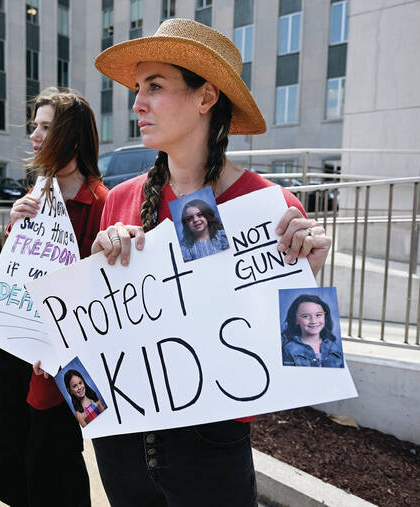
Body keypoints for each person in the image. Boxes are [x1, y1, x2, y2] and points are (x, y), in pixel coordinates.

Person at [90, 19, 333, 506]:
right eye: (138, 89)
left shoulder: (269, 207)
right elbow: (98, 328)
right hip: (122, 437)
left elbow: (296, 354)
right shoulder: (119, 200)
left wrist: (308, 273)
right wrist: (98, 272)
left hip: (211, 442)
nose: (137, 104)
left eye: (154, 86)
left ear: (206, 97)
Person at [0, 89, 106, 507]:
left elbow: (103, 295)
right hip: (14, 348)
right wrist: (16, 227)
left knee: (52, 465)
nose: (34, 136)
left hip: (57, 365)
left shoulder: (102, 203)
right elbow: (19, 271)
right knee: (2, 454)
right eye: (35, 126)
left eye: (46, 127)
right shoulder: (37, 195)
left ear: (74, 136)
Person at [281, 294, 344, 368]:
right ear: (295, 320)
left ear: (325, 317)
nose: (313, 321)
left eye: (318, 315)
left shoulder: (334, 347)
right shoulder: (289, 349)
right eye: (305, 316)